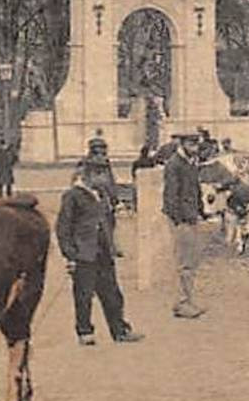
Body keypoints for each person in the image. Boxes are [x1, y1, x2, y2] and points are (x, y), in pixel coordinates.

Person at [57, 159, 144, 346]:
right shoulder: (72, 196)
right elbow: (63, 229)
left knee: (112, 294)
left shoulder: (101, 194)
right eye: (99, 174)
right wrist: (70, 255)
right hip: (84, 254)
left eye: (104, 174)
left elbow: (109, 222)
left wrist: (113, 245)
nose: (104, 178)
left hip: (103, 252)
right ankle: (85, 332)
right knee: (84, 295)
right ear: (88, 175)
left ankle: (119, 330)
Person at [163, 132, 207, 319]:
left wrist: (201, 211)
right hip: (182, 219)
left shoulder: (190, 163)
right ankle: (182, 303)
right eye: (191, 144)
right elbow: (171, 195)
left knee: (191, 260)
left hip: (191, 216)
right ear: (182, 144)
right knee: (184, 262)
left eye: (196, 144)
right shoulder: (175, 164)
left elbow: (195, 190)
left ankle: (187, 300)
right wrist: (178, 219)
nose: (194, 148)